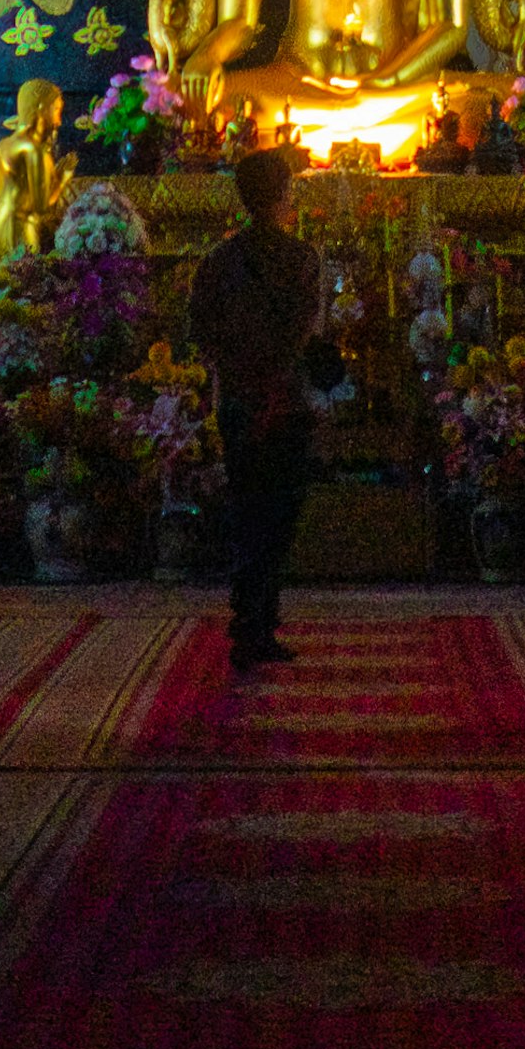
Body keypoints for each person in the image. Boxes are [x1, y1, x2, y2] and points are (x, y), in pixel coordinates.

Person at [186, 140, 332, 678]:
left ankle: (248, 614)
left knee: (247, 505)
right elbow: (303, 334)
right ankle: (258, 618)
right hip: (284, 402)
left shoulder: (218, 261)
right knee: (277, 514)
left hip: (240, 400)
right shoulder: (301, 259)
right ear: (285, 194)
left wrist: (237, 371)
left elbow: (200, 330)